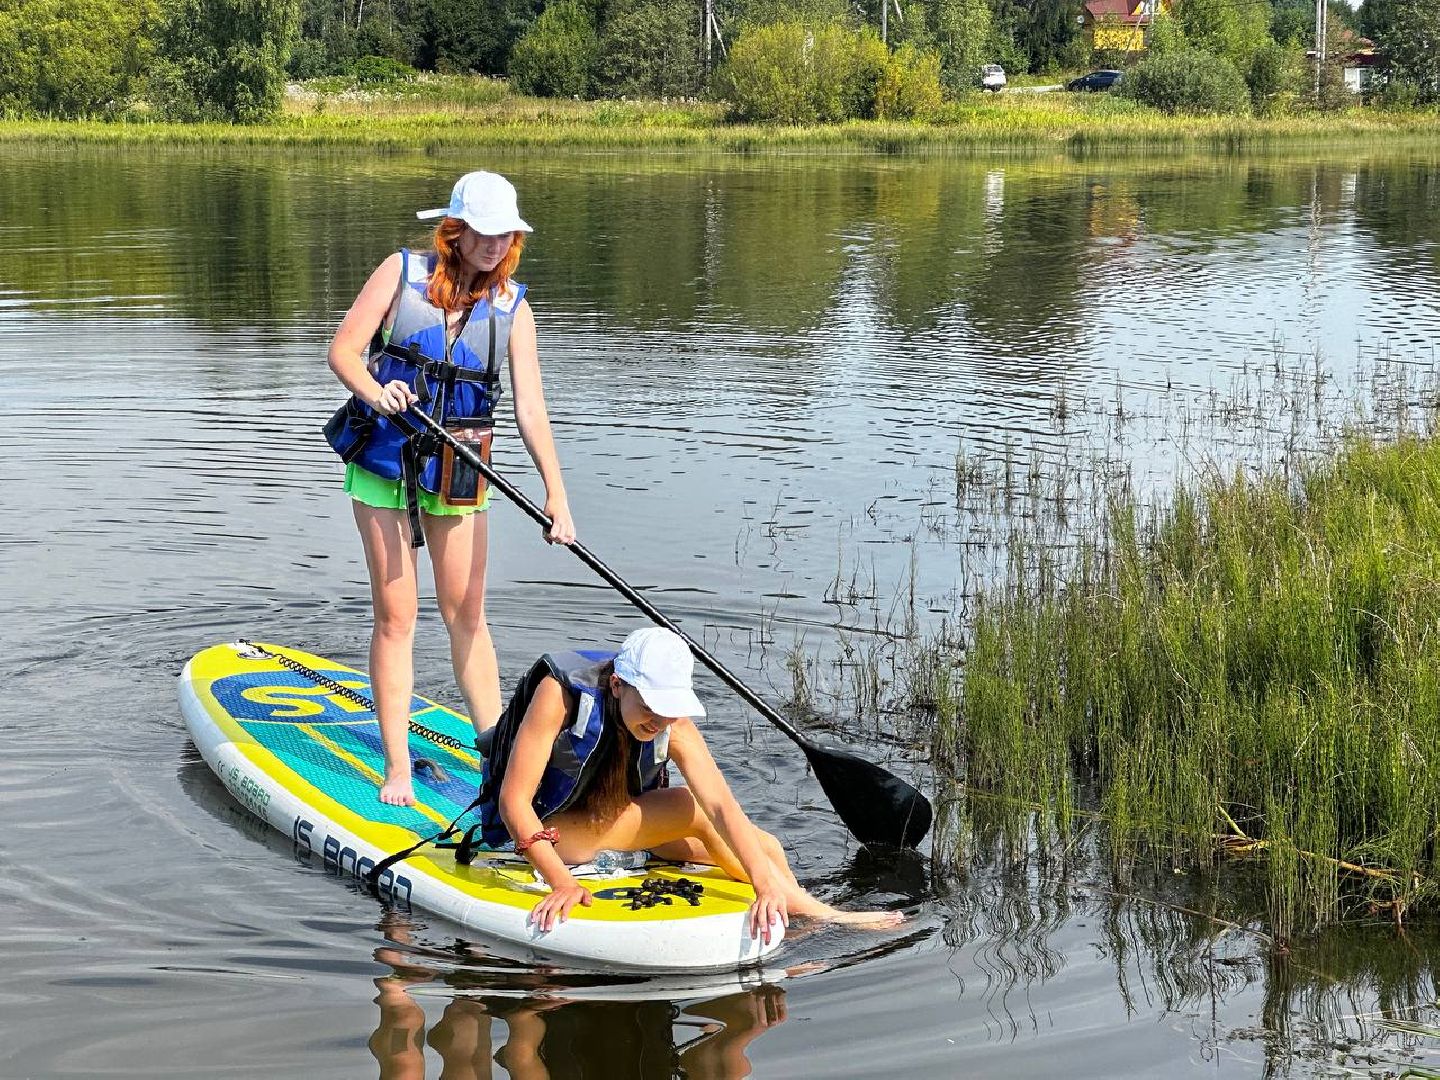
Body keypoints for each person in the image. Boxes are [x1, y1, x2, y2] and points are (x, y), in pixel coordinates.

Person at [326, 171, 576, 808]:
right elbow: (344, 352)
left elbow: (531, 409)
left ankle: (495, 754)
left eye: (507, 235)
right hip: (387, 461)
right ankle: (398, 767)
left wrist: (557, 494)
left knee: (466, 613)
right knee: (398, 615)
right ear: (456, 230)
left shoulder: (514, 309)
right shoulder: (400, 273)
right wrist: (376, 391)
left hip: (460, 467)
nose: (496, 246)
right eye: (485, 233)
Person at [475, 626, 905, 941]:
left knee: (766, 847)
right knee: (685, 807)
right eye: (650, 706)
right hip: (542, 832)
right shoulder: (561, 694)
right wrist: (561, 882)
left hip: (607, 820)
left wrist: (763, 879)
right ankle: (818, 913)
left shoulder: (670, 722)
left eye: (668, 709)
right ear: (619, 684)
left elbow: (721, 805)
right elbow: (514, 802)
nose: (660, 721)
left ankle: (786, 912)